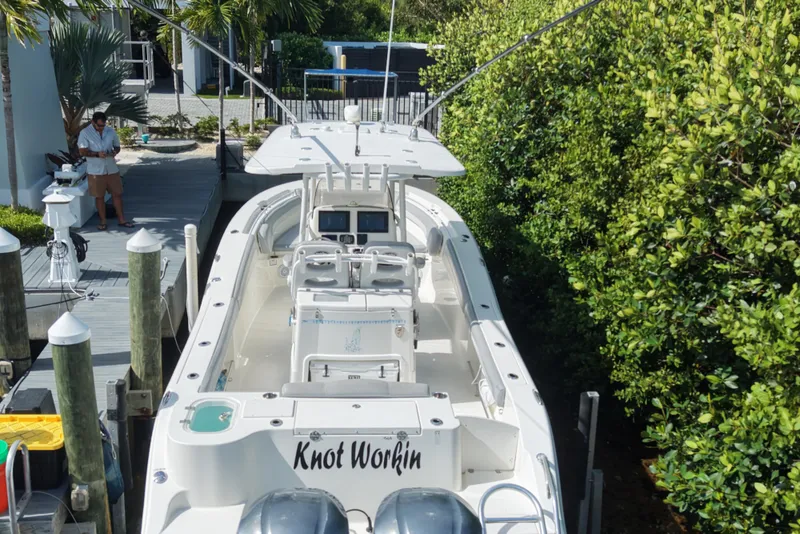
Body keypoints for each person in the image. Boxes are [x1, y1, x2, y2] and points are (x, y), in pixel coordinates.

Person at [77, 112, 134, 230]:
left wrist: (115, 152)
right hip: (95, 170)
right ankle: (103, 221)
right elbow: (82, 151)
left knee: (117, 194)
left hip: (111, 168)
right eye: (99, 126)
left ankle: (122, 220)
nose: (101, 128)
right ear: (93, 122)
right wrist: (97, 154)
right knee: (99, 196)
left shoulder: (110, 131)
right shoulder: (85, 133)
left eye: (103, 125)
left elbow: (117, 146)